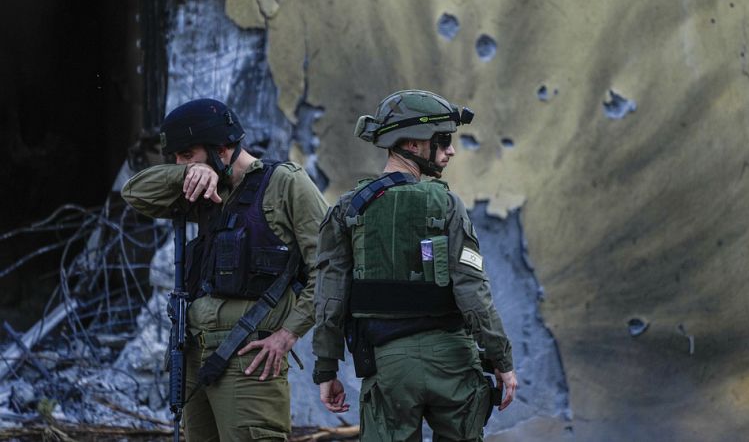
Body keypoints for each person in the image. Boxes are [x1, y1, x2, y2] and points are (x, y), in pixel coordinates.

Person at [312, 90, 518, 441]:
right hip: (453, 366)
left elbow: (329, 298)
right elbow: (473, 291)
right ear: (412, 143)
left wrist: (326, 368)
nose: (451, 150)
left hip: (389, 368)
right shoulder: (448, 204)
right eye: (443, 140)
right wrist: (502, 360)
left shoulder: (348, 210)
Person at [122, 98, 327, 442]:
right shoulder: (205, 190)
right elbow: (135, 193)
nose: (180, 163)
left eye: (186, 155)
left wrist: (289, 334)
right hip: (192, 351)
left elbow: (328, 268)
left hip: (249, 355)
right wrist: (187, 172)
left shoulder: (285, 183)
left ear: (221, 148)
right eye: (176, 158)